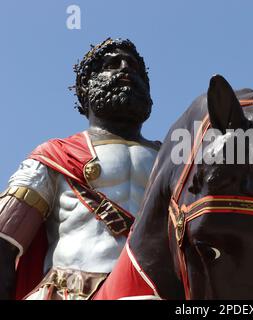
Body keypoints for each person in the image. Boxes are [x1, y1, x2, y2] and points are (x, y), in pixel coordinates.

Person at [0, 38, 160, 300]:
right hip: (68, 293)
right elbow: (4, 243)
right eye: (112, 64)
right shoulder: (54, 156)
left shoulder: (176, 164)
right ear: (85, 87)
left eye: (134, 66)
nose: (125, 69)